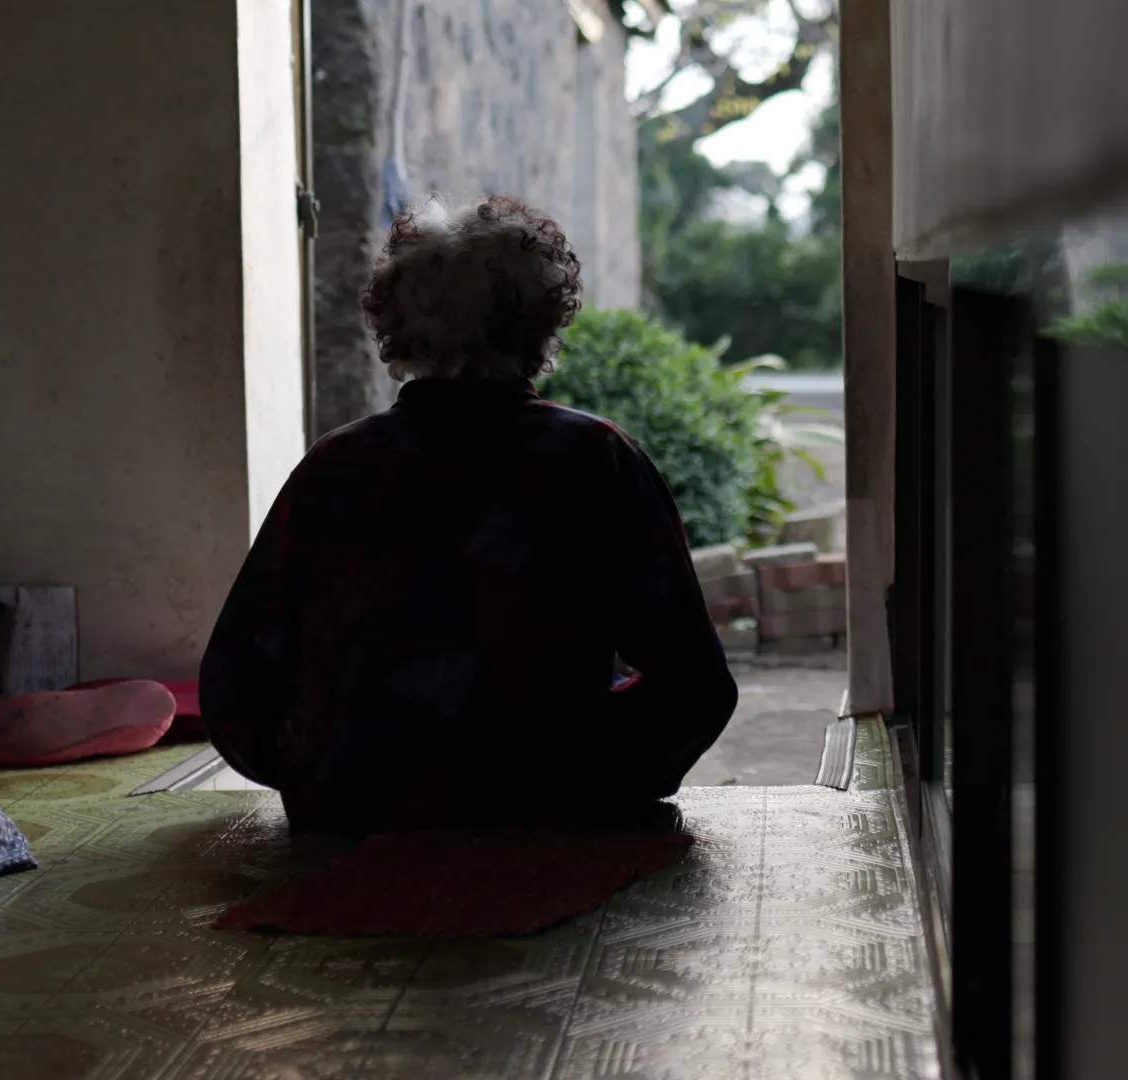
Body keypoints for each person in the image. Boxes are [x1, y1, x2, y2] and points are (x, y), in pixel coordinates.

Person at [200, 194, 736, 835]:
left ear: (396, 324)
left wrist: (321, 772)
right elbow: (695, 683)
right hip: (551, 813)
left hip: (356, 816)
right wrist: (599, 775)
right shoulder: (594, 458)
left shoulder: (336, 466)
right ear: (540, 325)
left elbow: (235, 681)